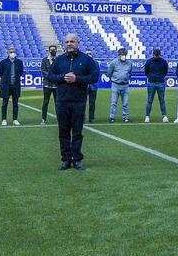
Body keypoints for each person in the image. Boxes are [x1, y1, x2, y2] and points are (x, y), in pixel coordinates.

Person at [49, 33, 99, 170]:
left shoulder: (87, 60)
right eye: (67, 42)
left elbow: (94, 77)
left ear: (78, 43)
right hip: (62, 101)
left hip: (79, 101)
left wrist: (77, 79)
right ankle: (65, 159)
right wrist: (62, 77)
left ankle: (77, 159)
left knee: (77, 132)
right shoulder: (59, 60)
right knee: (63, 132)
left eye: (72, 41)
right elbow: (50, 76)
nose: (69, 43)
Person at [0, 46, 25, 124]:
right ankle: (4, 119)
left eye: (14, 52)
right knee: (4, 103)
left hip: (16, 85)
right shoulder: (3, 62)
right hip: (6, 86)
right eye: (11, 52)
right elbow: (0, 73)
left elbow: (20, 72)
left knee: (15, 103)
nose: (13, 53)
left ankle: (15, 119)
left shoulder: (19, 62)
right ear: (8, 53)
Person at [106, 48, 134, 122]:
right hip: (115, 85)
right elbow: (109, 73)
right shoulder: (113, 63)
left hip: (125, 85)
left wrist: (125, 78)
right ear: (119, 55)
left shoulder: (129, 63)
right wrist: (114, 79)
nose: (123, 56)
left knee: (125, 103)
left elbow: (130, 73)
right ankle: (112, 117)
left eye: (124, 54)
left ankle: (126, 117)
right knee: (114, 102)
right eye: (122, 54)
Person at [142, 49, 169, 121]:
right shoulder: (149, 62)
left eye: (157, 55)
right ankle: (147, 116)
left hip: (160, 83)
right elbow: (146, 71)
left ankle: (164, 116)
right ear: (153, 54)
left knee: (162, 100)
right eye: (155, 55)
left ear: (159, 54)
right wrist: (151, 77)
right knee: (150, 100)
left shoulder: (164, 62)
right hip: (151, 83)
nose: (156, 56)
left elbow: (165, 71)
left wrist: (161, 77)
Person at [39, 44, 58, 124]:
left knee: (58, 103)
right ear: (49, 50)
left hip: (57, 85)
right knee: (45, 102)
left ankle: (59, 118)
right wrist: (51, 77)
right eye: (51, 49)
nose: (53, 51)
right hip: (47, 85)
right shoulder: (45, 60)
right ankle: (43, 119)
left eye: (54, 49)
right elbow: (43, 71)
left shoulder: (58, 60)